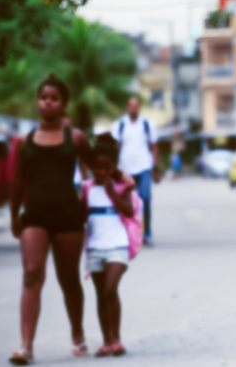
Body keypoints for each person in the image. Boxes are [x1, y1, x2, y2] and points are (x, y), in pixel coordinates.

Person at [9, 74, 93, 365]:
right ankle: (26, 346)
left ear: (63, 104)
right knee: (32, 273)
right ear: (37, 101)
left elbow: (96, 173)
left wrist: (92, 202)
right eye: (43, 97)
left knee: (69, 279)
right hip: (35, 215)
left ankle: (78, 333)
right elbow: (17, 182)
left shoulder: (77, 138)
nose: (47, 102)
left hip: (68, 216)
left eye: (54, 98)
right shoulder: (24, 140)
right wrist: (13, 217)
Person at [84, 134, 139, 358]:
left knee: (110, 289)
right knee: (100, 294)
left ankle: (116, 338)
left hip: (118, 246)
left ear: (115, 167)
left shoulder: (121, 187)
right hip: (95, 248)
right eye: (97, 168)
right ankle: (107, 341)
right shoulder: (86, 188)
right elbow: (80, 216)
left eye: (107, 168)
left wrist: (111, 191)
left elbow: (128, 211)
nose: (101, 172)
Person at [111, 97, 160, 245]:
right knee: (126, 202)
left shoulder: (147, 124)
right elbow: (114, 148)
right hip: (125, 169)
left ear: (139, 107)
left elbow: (154, 146)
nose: (133, 109)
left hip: (144, 166)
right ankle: (127, 233)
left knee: (145, 199)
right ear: (127, 107)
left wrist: (156, 167)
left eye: (136, 106)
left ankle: (147, 233)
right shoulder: (119, 124)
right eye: (131, 106)